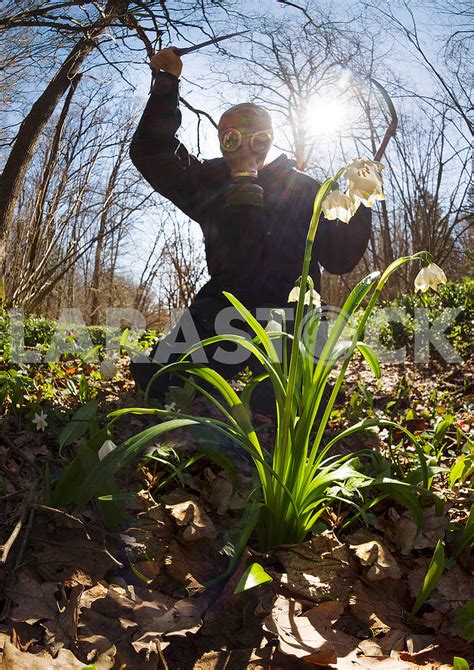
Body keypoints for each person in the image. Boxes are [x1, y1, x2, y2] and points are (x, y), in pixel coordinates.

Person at [129, 47, 372, 413]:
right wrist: (166, 83)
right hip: (222, 310)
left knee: (295, 403)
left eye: (258, 139)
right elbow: (152, 151)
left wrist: (362, 196)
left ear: (271, 140)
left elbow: (339, 258)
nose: (246, 148)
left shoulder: (304, 189)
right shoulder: (208, 181)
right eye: (231, 139)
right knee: (159, 381)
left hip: (292, 313)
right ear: (220, 141)